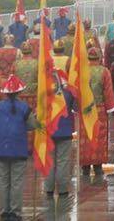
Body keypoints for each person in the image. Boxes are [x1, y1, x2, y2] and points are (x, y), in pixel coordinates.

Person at [0, 75, 37, 221]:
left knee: (3, 182)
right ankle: (15, 212)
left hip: (1, 150)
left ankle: (4, 211)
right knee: (16, 182)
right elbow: (32, 126)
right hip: (19, 150)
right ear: (19, 92)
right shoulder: (25, 108)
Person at [81, 44, 114, 179]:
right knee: (98, 136)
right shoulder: (104, 71)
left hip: (85, 109)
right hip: (99, 109)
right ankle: (97, 166)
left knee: (86, 136)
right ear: (99, 57)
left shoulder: (82, 71)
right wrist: (111, 108)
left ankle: (85, 167)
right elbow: (108, 92)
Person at [46, 69, 78, 201]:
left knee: (50, 162)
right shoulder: (68, 93)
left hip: (49, 132)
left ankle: (48, 188)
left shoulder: (45, 94)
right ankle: (63, 189)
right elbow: (76, 108)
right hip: (65, 132)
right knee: (63, 162)